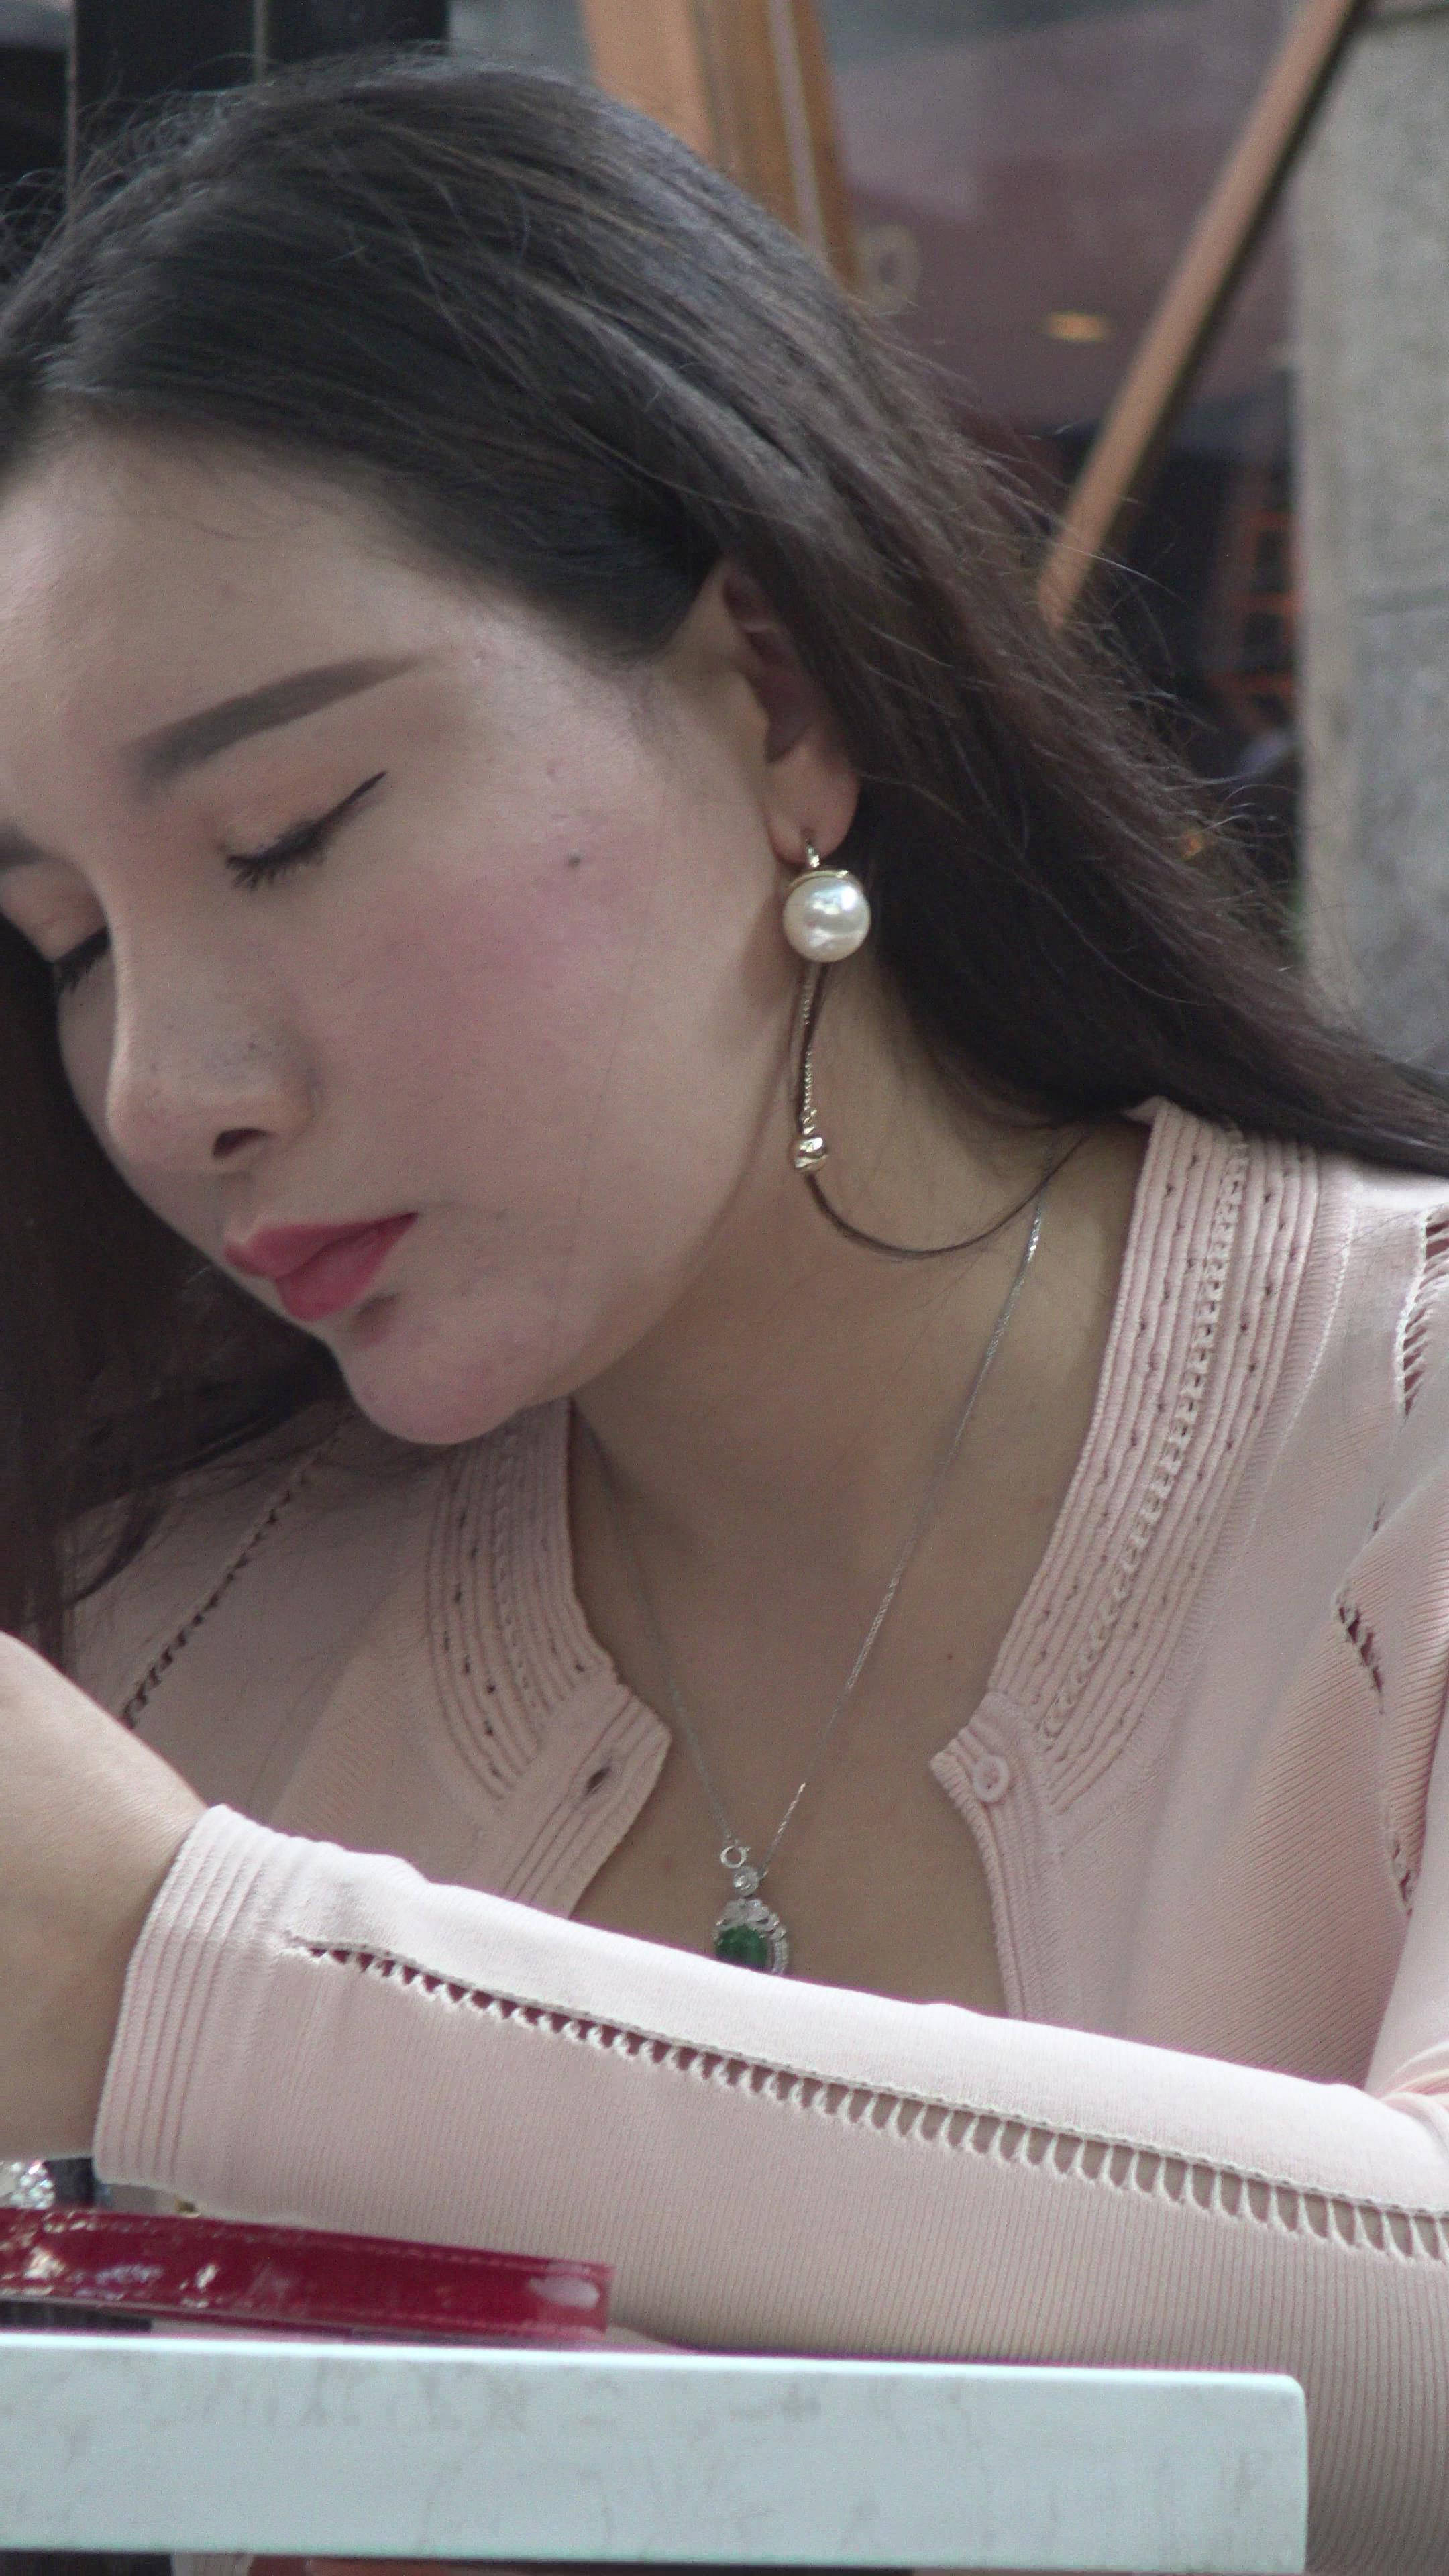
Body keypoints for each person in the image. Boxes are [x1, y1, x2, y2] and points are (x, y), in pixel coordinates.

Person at [0, 55, 1444, 2575]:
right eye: (66, 942)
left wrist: (178, 1971)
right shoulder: (171, 1647)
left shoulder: (1396, 1430)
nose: (169, 1086)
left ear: (774, 695)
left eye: (287, 837)